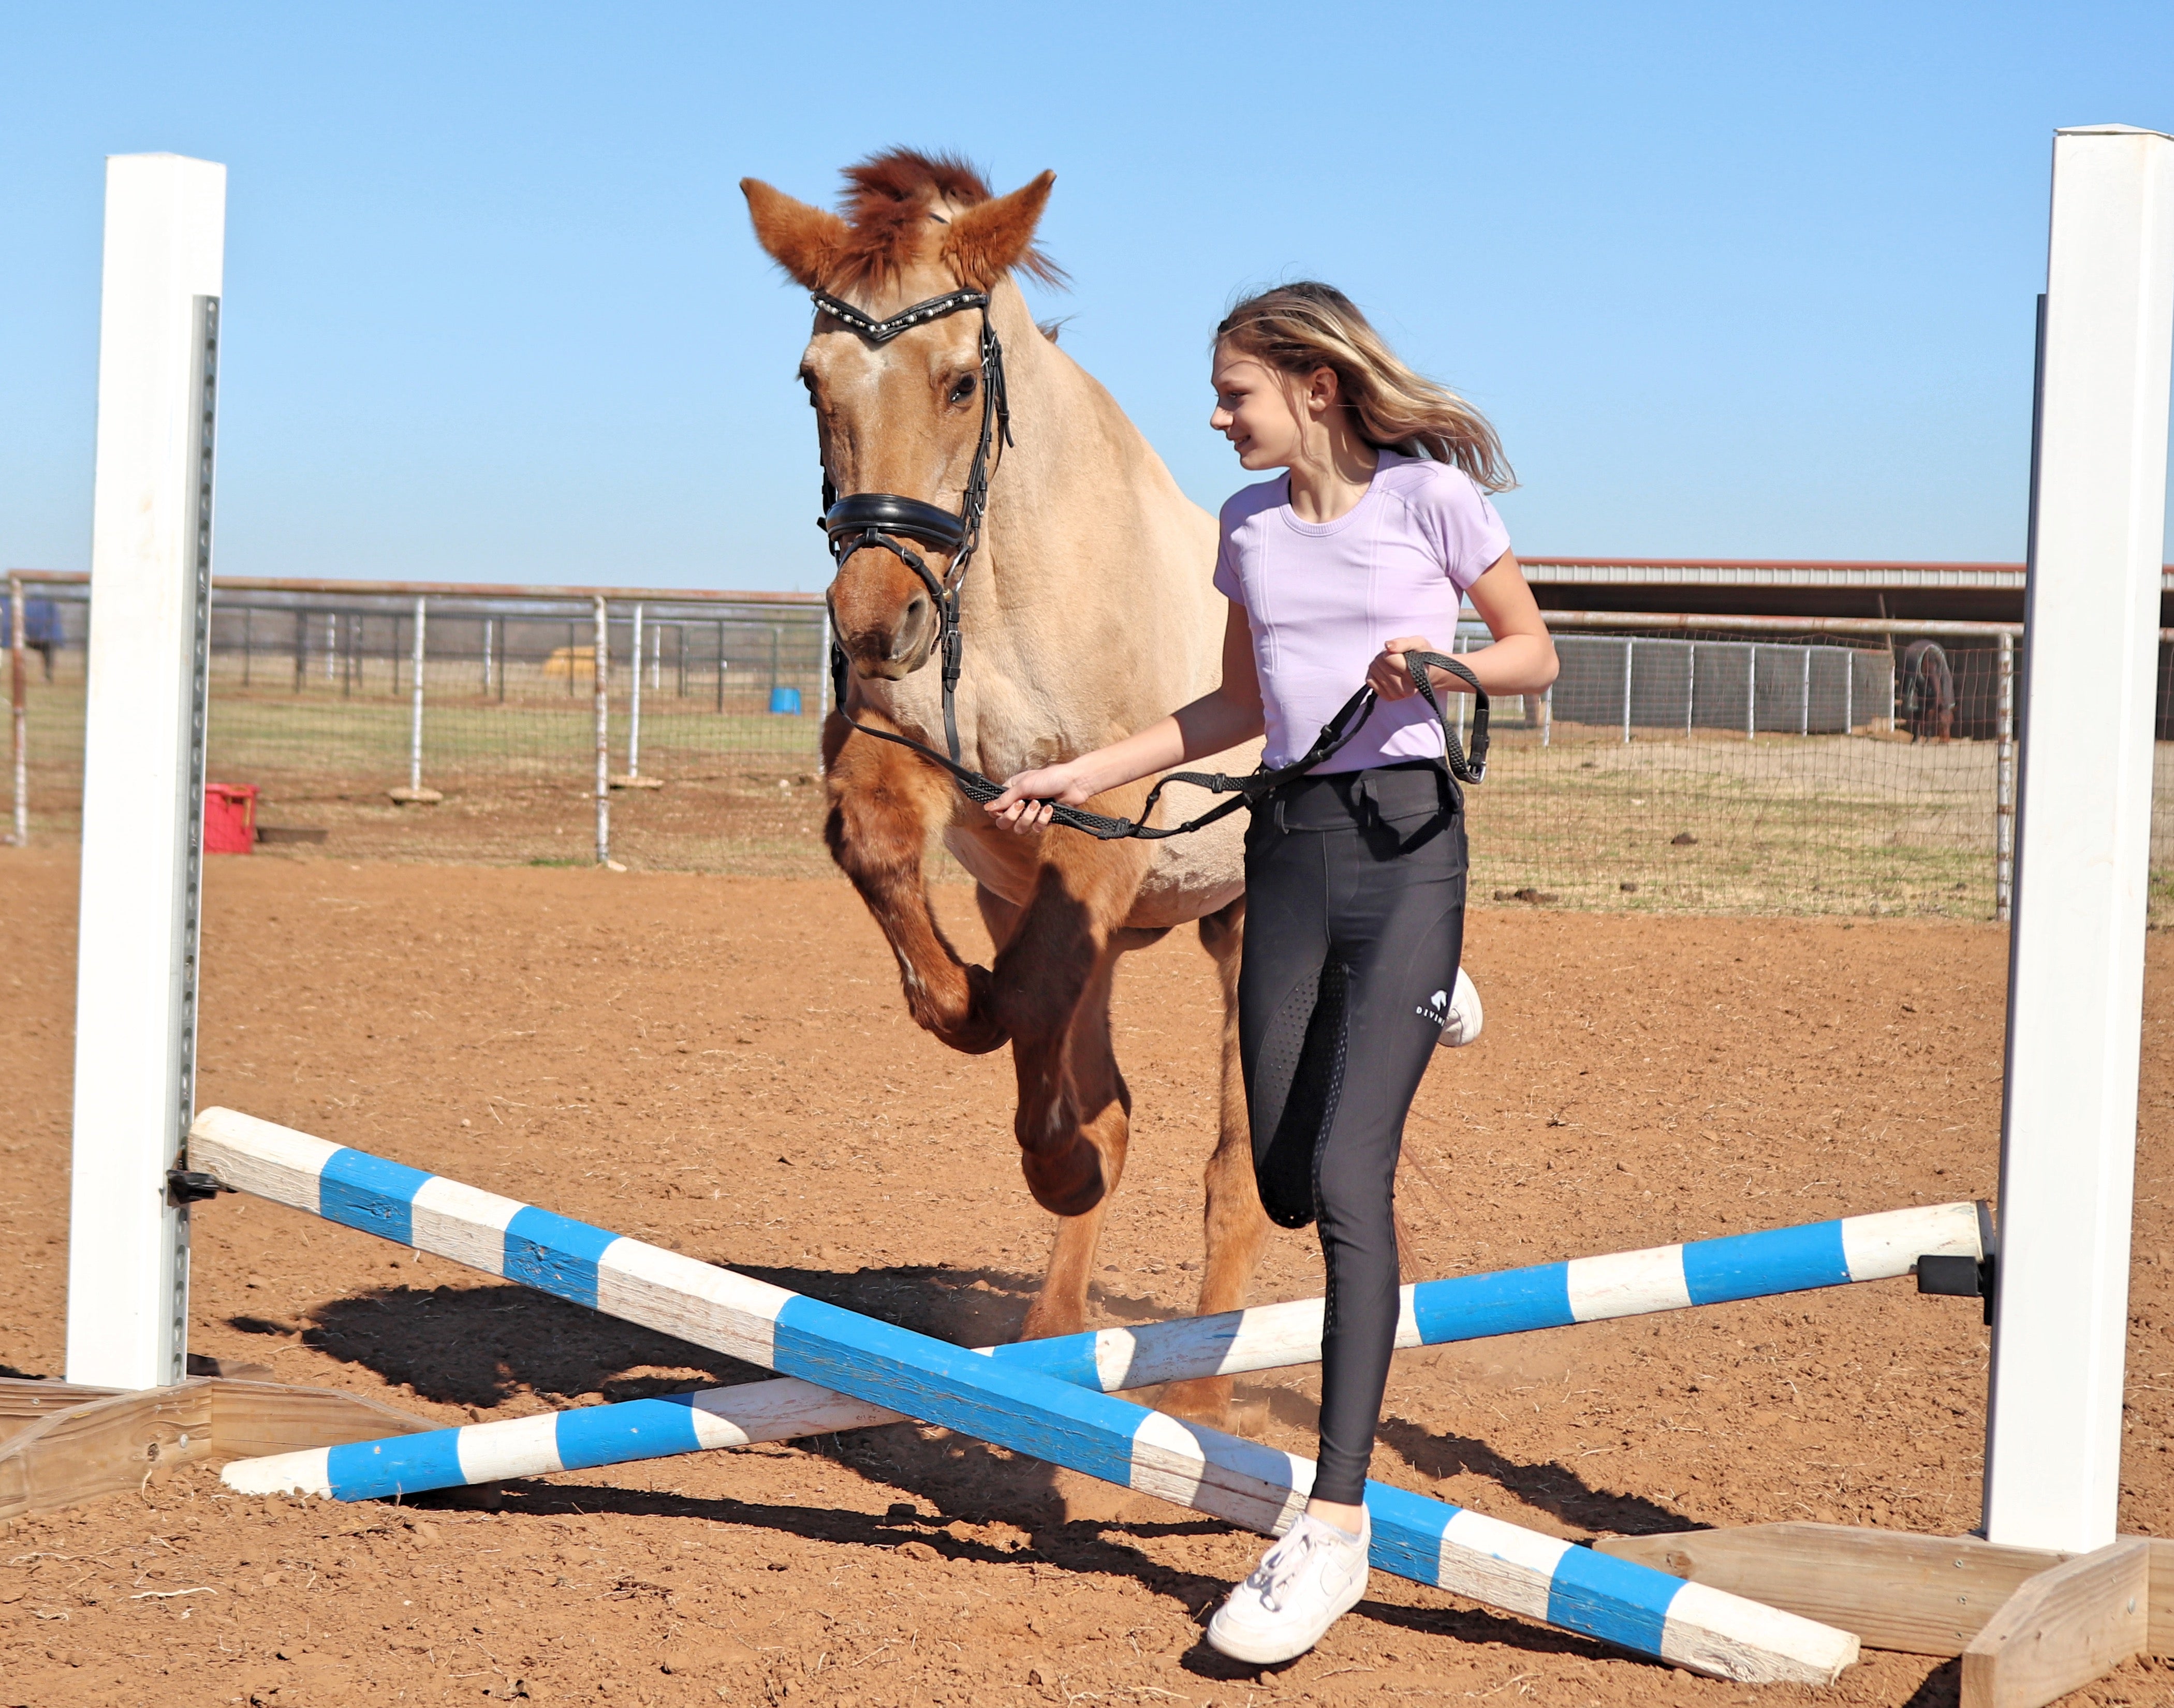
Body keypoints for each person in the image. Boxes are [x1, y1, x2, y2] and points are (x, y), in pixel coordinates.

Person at [986, 283, 1558, 1664]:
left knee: (1351, 1185)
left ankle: (1334, 1524)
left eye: (1233, 390)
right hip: (1287, 843)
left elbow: (1538, 655)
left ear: (1311, 384)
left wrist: (1449, 666)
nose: (1215, 412)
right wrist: (1076, 772)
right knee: (1290, 1181)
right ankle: (1420, 1000)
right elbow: (1234, 706)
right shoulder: (1245, 531)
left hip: (1410, 847)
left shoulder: (1430, 504)